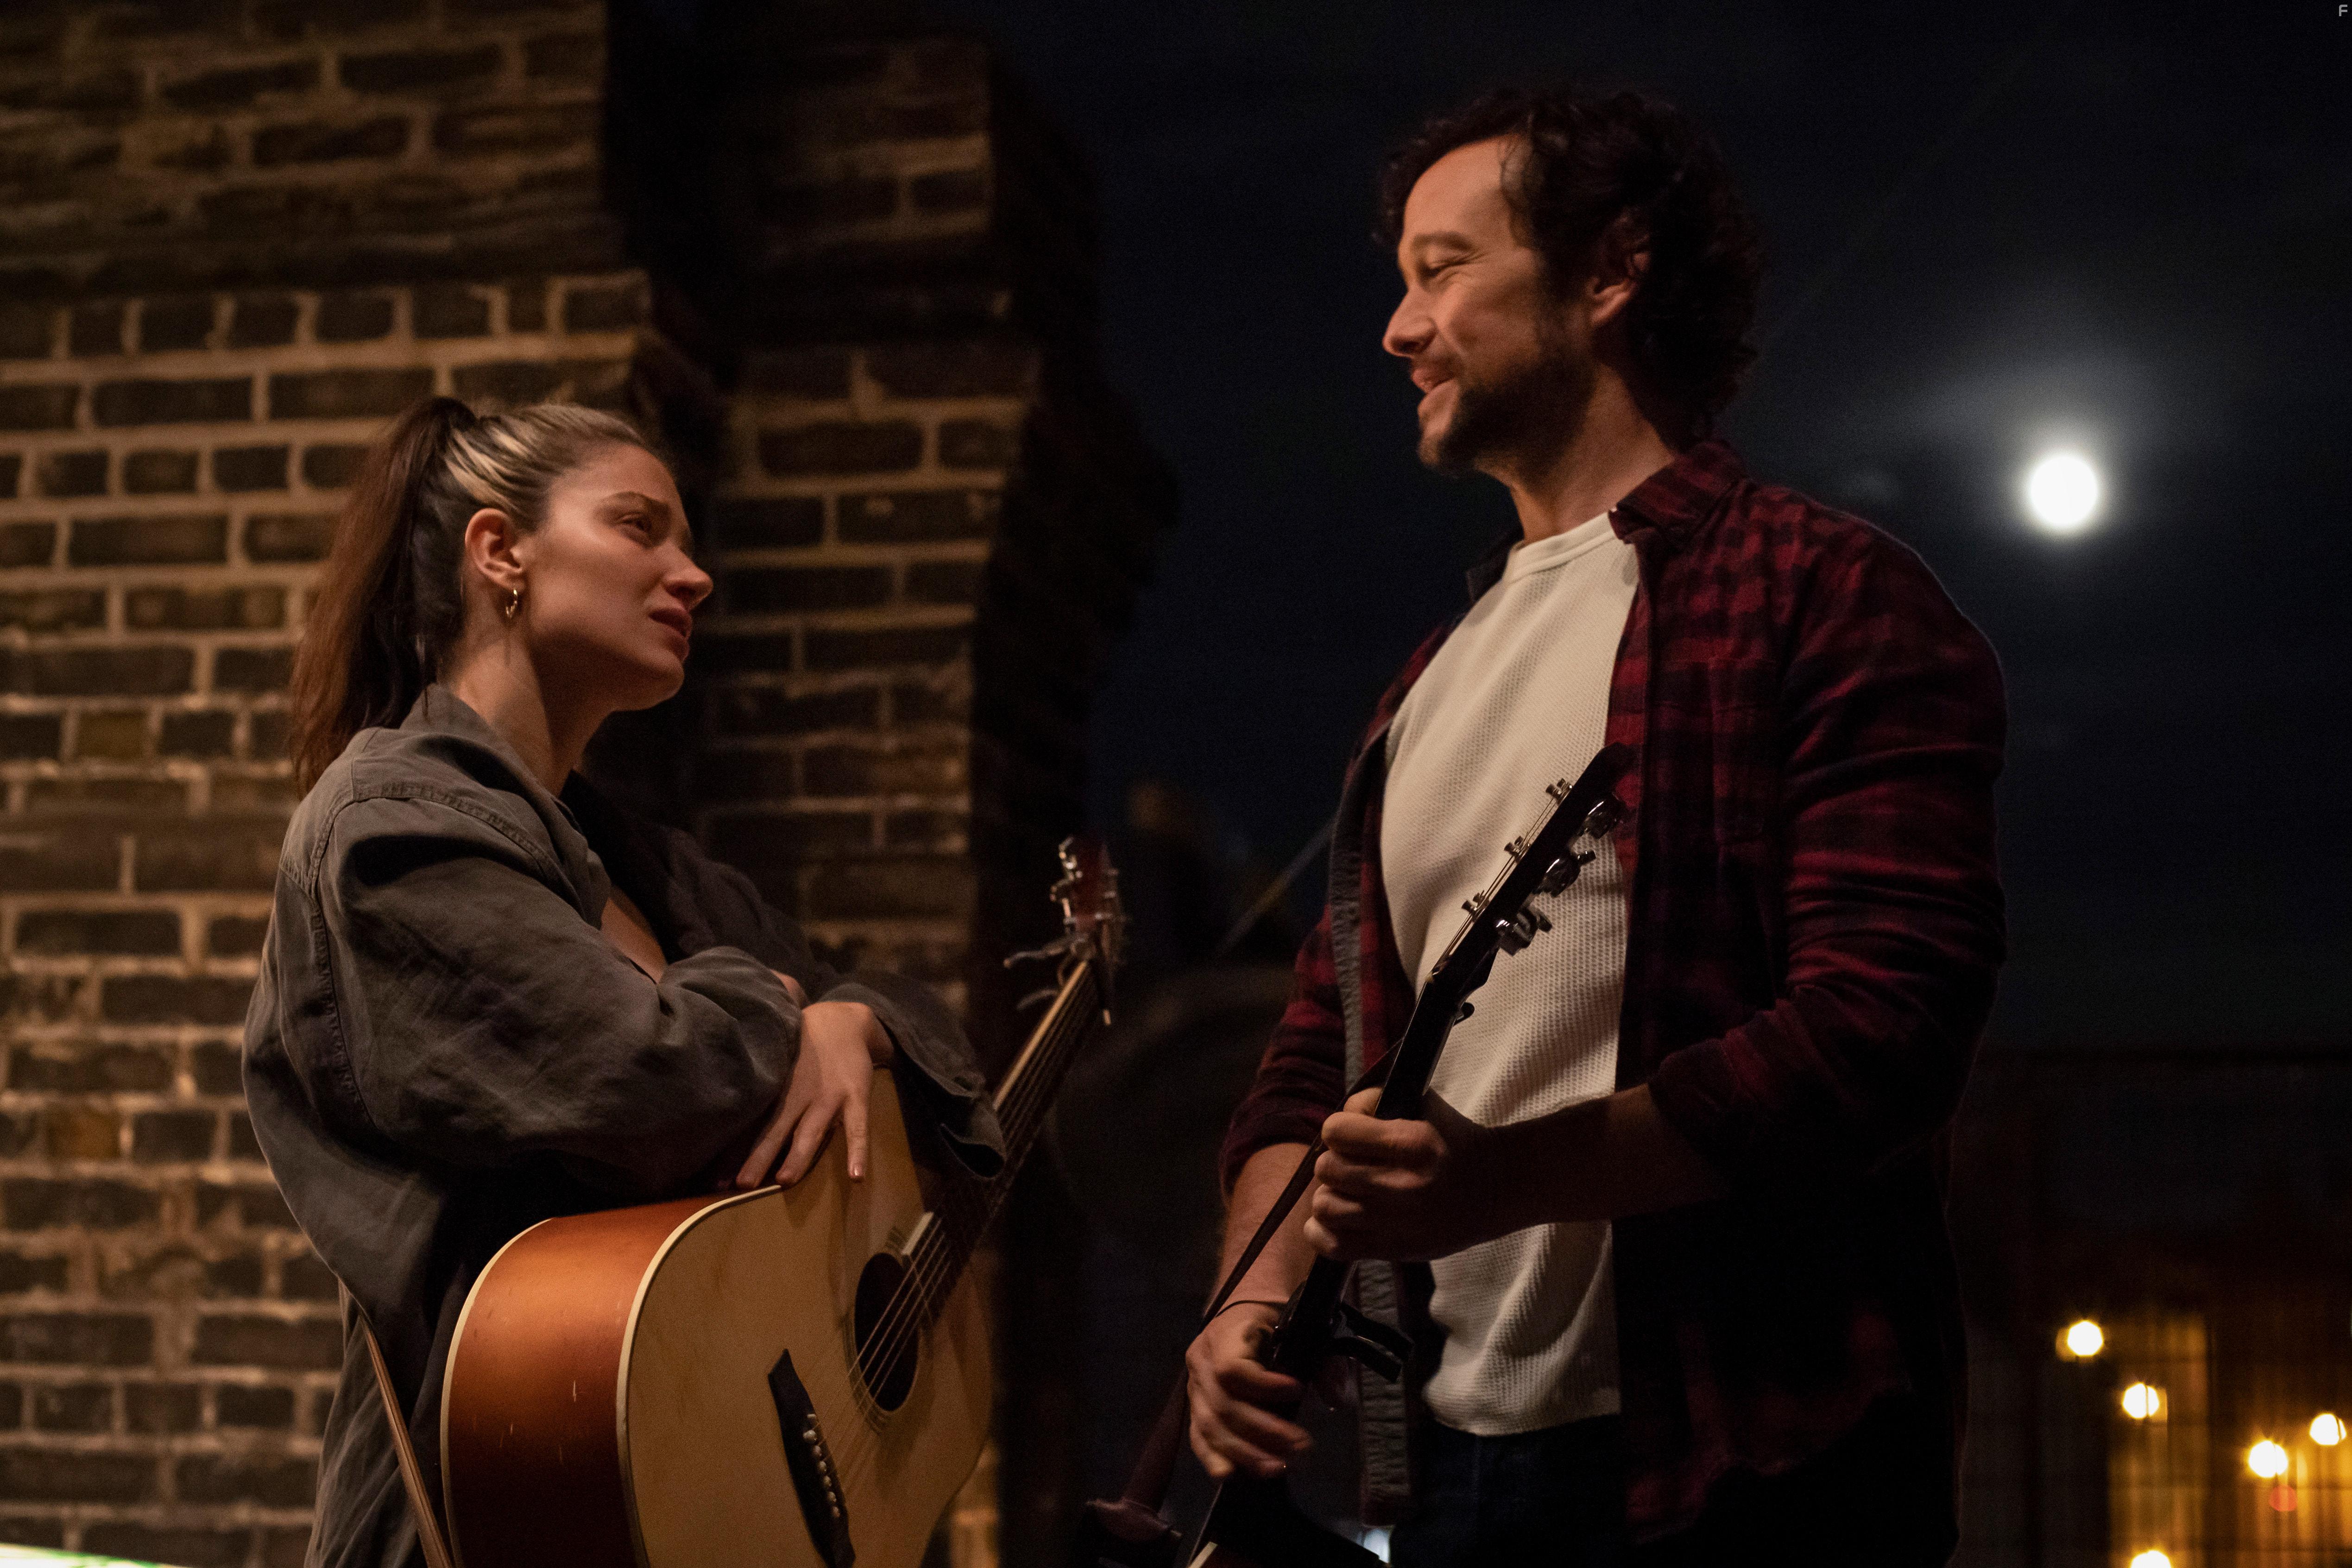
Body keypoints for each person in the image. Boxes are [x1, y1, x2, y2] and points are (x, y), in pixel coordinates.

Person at [1187, 85, 2005, 1566]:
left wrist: (1494, 1179)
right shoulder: (1423, 685)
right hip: (1442, 1460)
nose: (1395, 326)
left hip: (1746, 1459)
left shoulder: (1824, 594)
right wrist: (1254, 1291)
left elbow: (1883, 1030)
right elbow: (1322, 1043)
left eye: (1443, 270)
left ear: (1610, 271)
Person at [243, 397, 1004, 1568]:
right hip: (502, 1510)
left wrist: (853, 1019)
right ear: (501, 552)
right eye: (640, 528)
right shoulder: (394, 829)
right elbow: (643, 1078)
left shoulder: (638, 860)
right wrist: (773, 998)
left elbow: (889, 1005)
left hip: (675, 1498)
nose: (691, 575)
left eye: (686, 543)